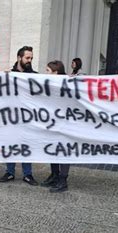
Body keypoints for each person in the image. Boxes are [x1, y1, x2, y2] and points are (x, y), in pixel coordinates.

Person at [0, 46, 38, 185]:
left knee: (26, 146)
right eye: (27, 58)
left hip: (27, 119)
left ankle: (28, 174)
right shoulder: (8, 75)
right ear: (19, 58)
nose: (30, 60)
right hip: (11, 118)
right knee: (10, 145)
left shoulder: (34, 75)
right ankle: (10, 172)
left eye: (31, 58)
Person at [41, 60, 71, 192]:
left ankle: (63, 180)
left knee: (63, 151)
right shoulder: (48, 84)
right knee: (53, 149)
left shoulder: (67, 84)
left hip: (64, 125)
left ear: (56, 72)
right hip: (52, 123)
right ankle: (55, 175)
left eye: (47, 70)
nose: (45, 73)